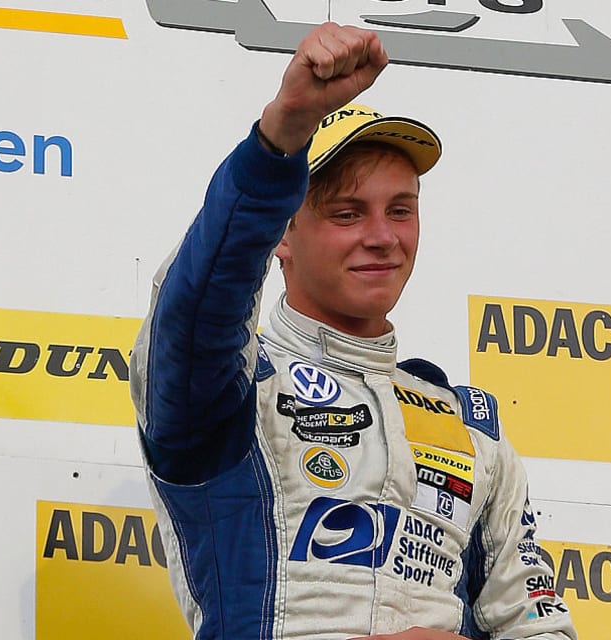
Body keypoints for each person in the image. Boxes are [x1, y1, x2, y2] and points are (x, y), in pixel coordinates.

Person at [129, 21, 576, 640]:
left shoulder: (471, 426)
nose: (383, 237)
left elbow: (536, 626)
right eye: (347, 213)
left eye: (401, 210)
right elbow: (196, 307)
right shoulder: (233, 388)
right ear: (282, 235)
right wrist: (280, 138)